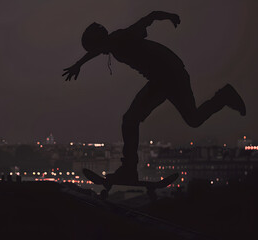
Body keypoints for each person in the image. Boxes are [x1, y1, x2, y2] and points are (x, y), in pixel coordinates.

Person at [63, 11, 246, 184]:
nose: (101, 52)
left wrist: (168, 16)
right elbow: (102, 47)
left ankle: (129, 170)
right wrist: (78, 64)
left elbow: (149, 17)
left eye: (96, 47)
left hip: (166, 77)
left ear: (99, 41)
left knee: (130, 120)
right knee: (193, 119)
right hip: (169, 76)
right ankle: (224, 96)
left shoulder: (120, 38)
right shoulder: (114, 42)